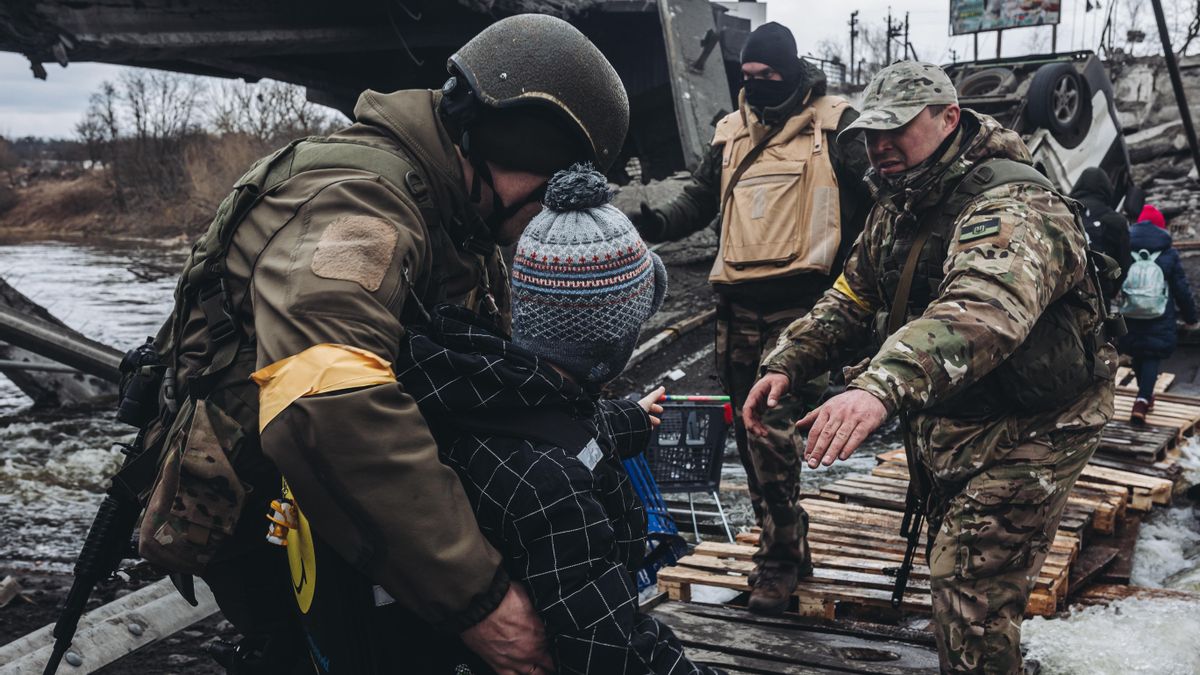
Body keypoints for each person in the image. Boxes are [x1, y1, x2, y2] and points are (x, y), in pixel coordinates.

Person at [138, 14, 630, 675]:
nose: (541, 221)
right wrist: (479, 601)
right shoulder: (360, 208)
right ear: (509, 147)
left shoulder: (457, 216)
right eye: (544, 197)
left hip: (357, 515)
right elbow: (325, 402)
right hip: (276, 517)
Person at [743, 61, 1114, 673]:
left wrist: (879, 388)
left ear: (949, 118)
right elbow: (856, 297)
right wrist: (790, 358)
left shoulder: (1015, 205)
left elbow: (984, 308)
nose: (880, 145)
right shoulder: (901, 202)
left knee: (968, 583)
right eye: (870, 131)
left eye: (898, 128)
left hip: (1038, 426)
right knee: (959, 583)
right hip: (962, 413)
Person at [391, 164, 720, 675]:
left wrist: (629, 419)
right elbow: (611, 651)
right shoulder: (559, 492)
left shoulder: (482, 385)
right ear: (610, 344)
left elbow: (564, 426)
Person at [623, 21, 871, 614]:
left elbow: (872, 211)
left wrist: (866, 304)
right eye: (749, 77)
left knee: (771, 434)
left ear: (792, 70)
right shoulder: (729, 132)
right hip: (736, 309)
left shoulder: (839, 127)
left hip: (803, 305)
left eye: (769, 76)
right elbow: (699, 201)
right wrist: (652, 224)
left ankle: (781, 559)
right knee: (750, 432)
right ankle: (786, 546)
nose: (757, 86)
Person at [1120, 204, 1199, 423]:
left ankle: (1145, 396)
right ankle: (1143, 400)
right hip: (1159, 312)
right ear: (1160, 228)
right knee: (1152, 354)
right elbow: (1181, 288)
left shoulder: (1127, 248)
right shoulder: (1168, 253)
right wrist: (1191, 317)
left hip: (1131, 310)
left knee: (1137, 351)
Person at [1070, 167, 1131, 303]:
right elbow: (1124, 263)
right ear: (1107, 188)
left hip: (1066, 296)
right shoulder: (1116, 220)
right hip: (1099, 295)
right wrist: (1111, 290)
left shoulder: (1064, 213)